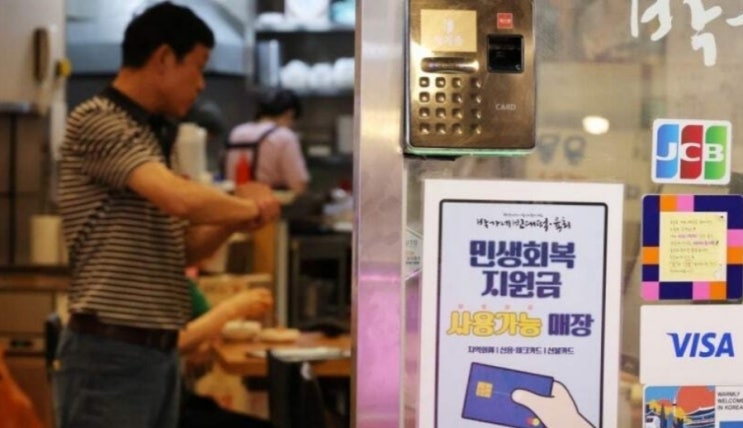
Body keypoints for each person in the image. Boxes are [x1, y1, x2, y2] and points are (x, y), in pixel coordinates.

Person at [53, 3, 280, 428]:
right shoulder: (99, 120)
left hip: (157, 353)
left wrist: (236, 219)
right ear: (163, 59)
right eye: (198, 67)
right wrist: (251, 205)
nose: (201, 84)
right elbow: (178, 198)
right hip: (109, 354)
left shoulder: (154, 135)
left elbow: (183, 248)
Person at [225, 88, 310, 194]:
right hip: (270, 201)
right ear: (289, 114)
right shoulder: (285, 136)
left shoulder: (236, 132)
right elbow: (298, 185)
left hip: (235, 199)